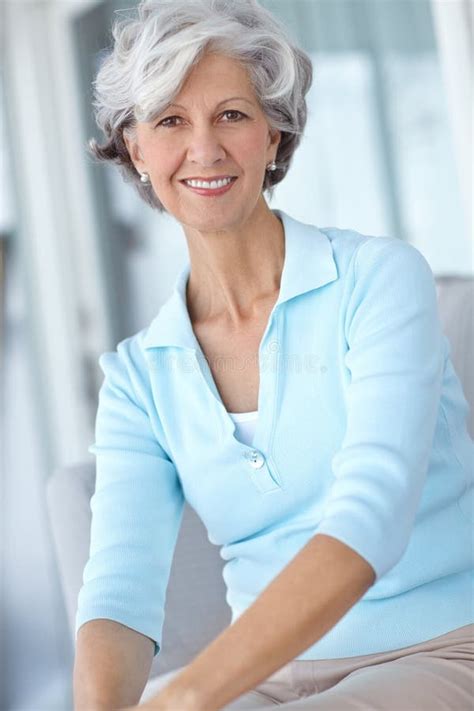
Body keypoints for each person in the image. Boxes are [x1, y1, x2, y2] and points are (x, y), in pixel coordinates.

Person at [73, 1, 474, 709]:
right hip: (266, 678)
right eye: (169, 120)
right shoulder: (139, 378)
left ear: (273, 130)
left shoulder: (379, 280)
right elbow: (119, 593)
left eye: (231, 114)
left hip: (441, 647)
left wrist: (191, 695)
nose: (203, 148)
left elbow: (368, 519)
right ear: (135, 148)